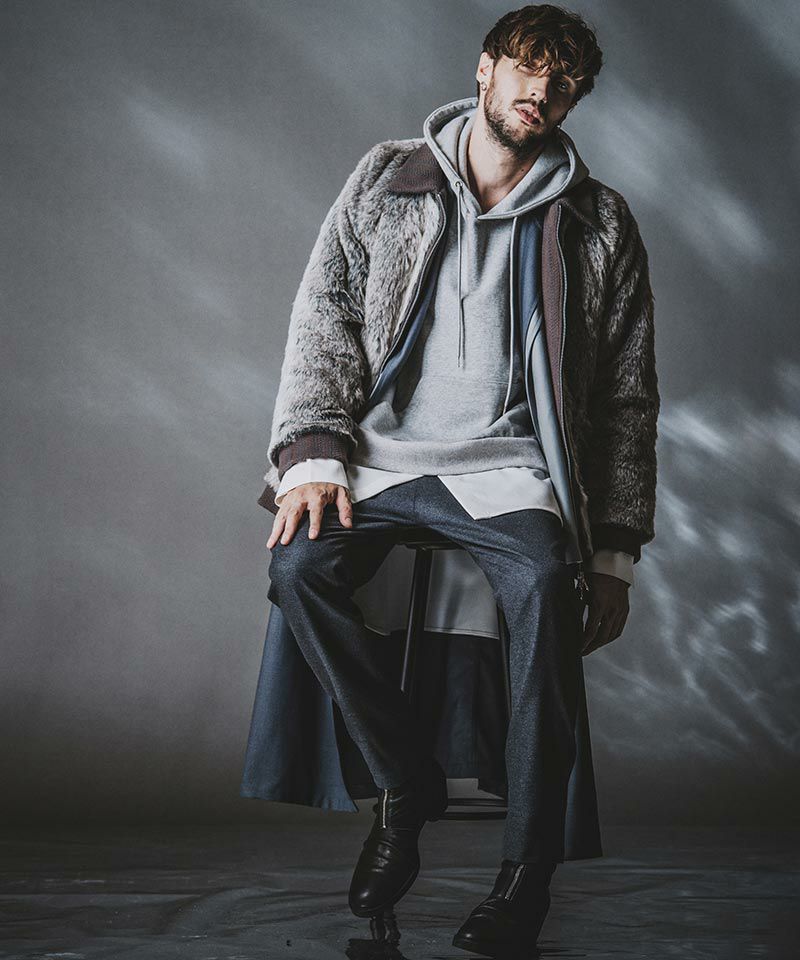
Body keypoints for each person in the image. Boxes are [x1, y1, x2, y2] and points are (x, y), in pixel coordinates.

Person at [257, 4, 659, 954]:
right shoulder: (386, 175)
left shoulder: (598, 220)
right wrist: (313, 453)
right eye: (526, 68)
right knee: (298, 569)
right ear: (485, 69)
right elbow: (323, 316)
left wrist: (614, 554)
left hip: (515, 472)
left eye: (562, 81)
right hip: (383, 458)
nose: (540, 91)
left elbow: (627, 393)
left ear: (575, 99)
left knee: (547, 597)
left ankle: (525, 878)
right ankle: (406, 782)